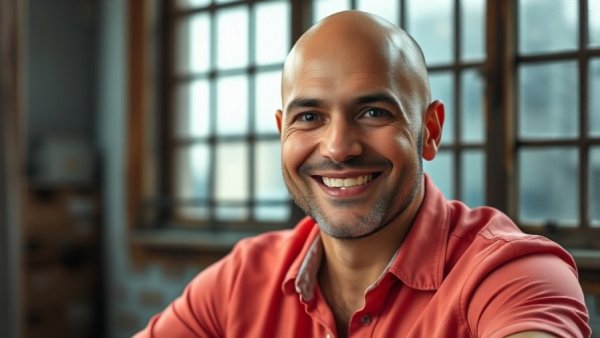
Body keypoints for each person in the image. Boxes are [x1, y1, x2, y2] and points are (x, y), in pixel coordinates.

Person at [135, 10, 590, 338]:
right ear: (282, 132)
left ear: (429, 131)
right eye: (310, 117)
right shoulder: (242, 281)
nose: (337, 148)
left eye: (373, 112)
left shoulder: (511, 274)